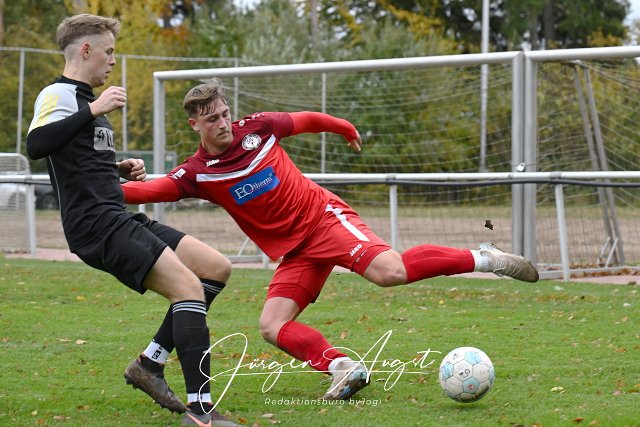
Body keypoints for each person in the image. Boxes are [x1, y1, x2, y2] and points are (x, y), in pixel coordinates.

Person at [122, 78, 539, 401]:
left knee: (389, 272)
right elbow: (145, 191)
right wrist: (100, 183)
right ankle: (342, 368)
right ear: (194, 124)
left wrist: (344, 127)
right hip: (297, 251)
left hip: (324, 221)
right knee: (272, 326)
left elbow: (305, 120)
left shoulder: (259, 128)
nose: (223, 123)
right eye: (212, 119)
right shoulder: (197, 173)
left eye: (225, 113)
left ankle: (486, 258)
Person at [26, 15, 239, 427]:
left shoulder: (84, 101)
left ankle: (149, 364)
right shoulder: (59, 93)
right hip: (96, 225)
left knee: (215, 267)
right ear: (85, 49)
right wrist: (94, 109)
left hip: (115, 215)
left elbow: (76, 161)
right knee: (188, 289)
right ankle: (201, 413)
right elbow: (37, 144)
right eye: (108, 52)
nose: (112, 61)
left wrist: (117, 169)